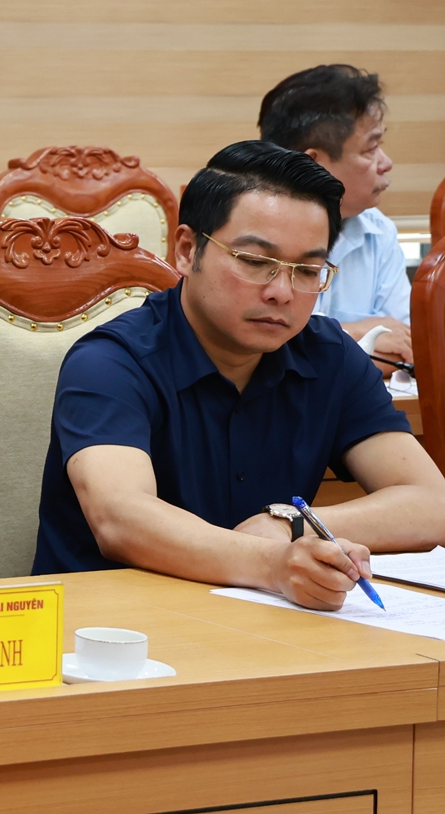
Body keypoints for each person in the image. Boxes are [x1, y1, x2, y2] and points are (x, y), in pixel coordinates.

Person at [33, 141, 445, 609]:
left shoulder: (330, 357)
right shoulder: (111, 362)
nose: (282, 292)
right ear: (187, 250)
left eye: (307, 270)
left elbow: (433, 503)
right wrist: (272, 563)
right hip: (110, 627)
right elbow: (122, 520)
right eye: (255, 262)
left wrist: (289, 523)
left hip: (266, 627)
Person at [259, 65, 412, 371]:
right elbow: (260, 356)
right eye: (371, 148)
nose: (386, 163)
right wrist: (356, 334)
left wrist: (316, 344)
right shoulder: (250, 235)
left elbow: (403, 351)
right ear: (313, 163)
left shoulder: (378, 231)